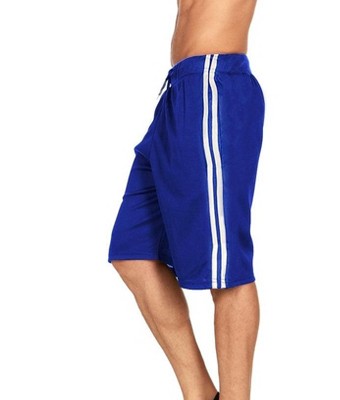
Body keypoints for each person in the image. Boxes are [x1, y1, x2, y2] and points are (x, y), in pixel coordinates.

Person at [107, 0, 265, 399]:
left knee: (226, 269)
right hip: (177, 91)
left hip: (213, 84)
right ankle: (201, 393)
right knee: (133, 251)